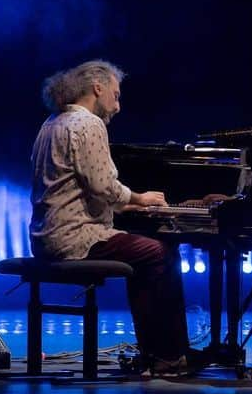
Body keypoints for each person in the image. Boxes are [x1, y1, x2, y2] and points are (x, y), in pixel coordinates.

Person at [29, 59, 202, 376]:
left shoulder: (51, 123)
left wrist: (126, 207)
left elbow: (80, 188)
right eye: (116, 94)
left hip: (46, 237)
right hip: (76, 239)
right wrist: (140, 198)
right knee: (158, 253)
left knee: (146, 253)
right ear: (98, 88)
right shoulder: (88, 124)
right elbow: (103, 185)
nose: (118, 106)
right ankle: (168, 355)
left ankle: (156, 351)